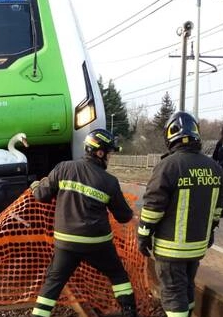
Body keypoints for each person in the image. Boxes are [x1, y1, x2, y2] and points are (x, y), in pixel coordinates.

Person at [29, 128, 139, 317]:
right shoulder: (109, 181)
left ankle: (39, 315)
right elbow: (123, 216)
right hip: (98, 244)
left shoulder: (63, 168)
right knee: (118, 275)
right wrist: (129, 210)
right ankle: (129, 312)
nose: (109, 158)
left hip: (65, 243)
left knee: (53, 282)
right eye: (109, 154)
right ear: (100, 152)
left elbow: (41, 195)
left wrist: (35, 186)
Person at [137, 111, 223, 317]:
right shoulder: (215, 168)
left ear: (170, 136)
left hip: (171, 249)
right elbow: (217, 208)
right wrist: (210, 232)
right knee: (186, 288)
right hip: (197, 246)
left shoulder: (168, 166)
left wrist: (143, 235)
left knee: (173, 293)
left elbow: (152, 207)